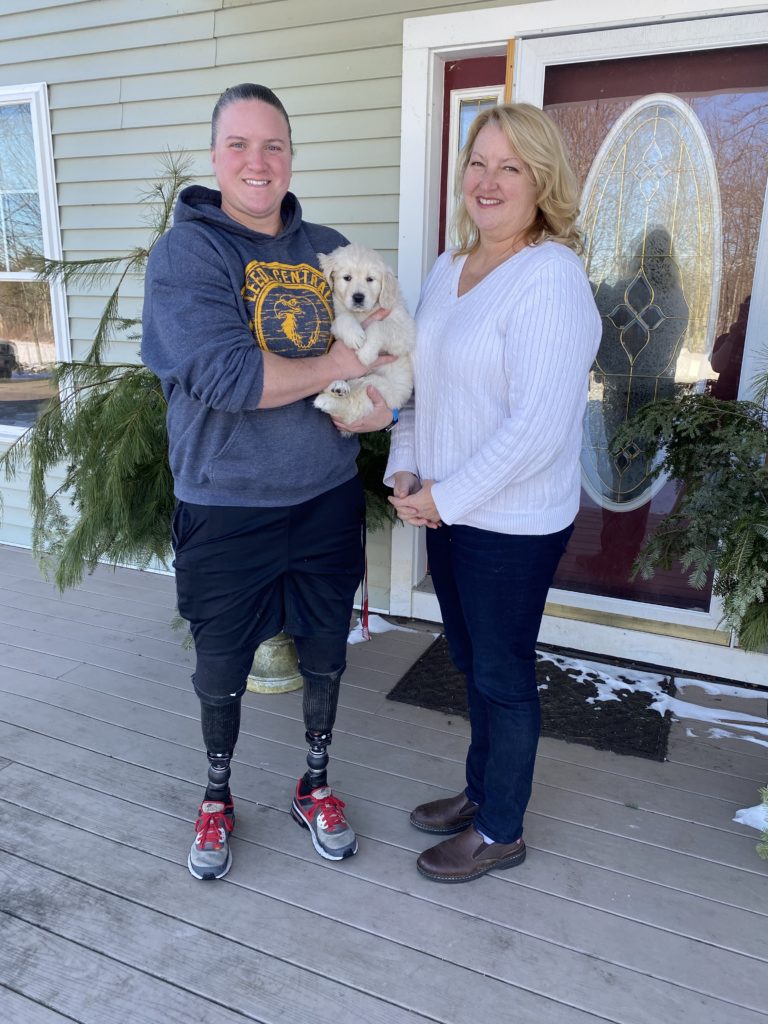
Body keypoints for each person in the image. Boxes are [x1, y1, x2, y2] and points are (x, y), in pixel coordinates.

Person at [141, 83, 394, 880]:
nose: (259, 162)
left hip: (323, 499)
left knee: (326, 654)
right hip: (225, 506)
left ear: (291, 155)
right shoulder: (190, 253)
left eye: (274, 145)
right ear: (217, 157)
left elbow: (383, 349)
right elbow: (226, 376)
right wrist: (339, 364)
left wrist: (377, 404)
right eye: (241, 146)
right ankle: (216, 799)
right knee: (221, 664)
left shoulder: (329, 250)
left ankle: (313, 785)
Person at [383, 104, 602, 882]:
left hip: (509, 523)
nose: (488, 180)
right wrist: (405, 469)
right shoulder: (449, 267)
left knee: (502, 673)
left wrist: (446, 496)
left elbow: (539, 427)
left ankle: (502, 828)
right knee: (472, 661)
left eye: (511, 166)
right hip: (447, 506)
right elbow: (414, 381)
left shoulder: (551, 279)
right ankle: (481, 792)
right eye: (478, 162)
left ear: (542, 181)